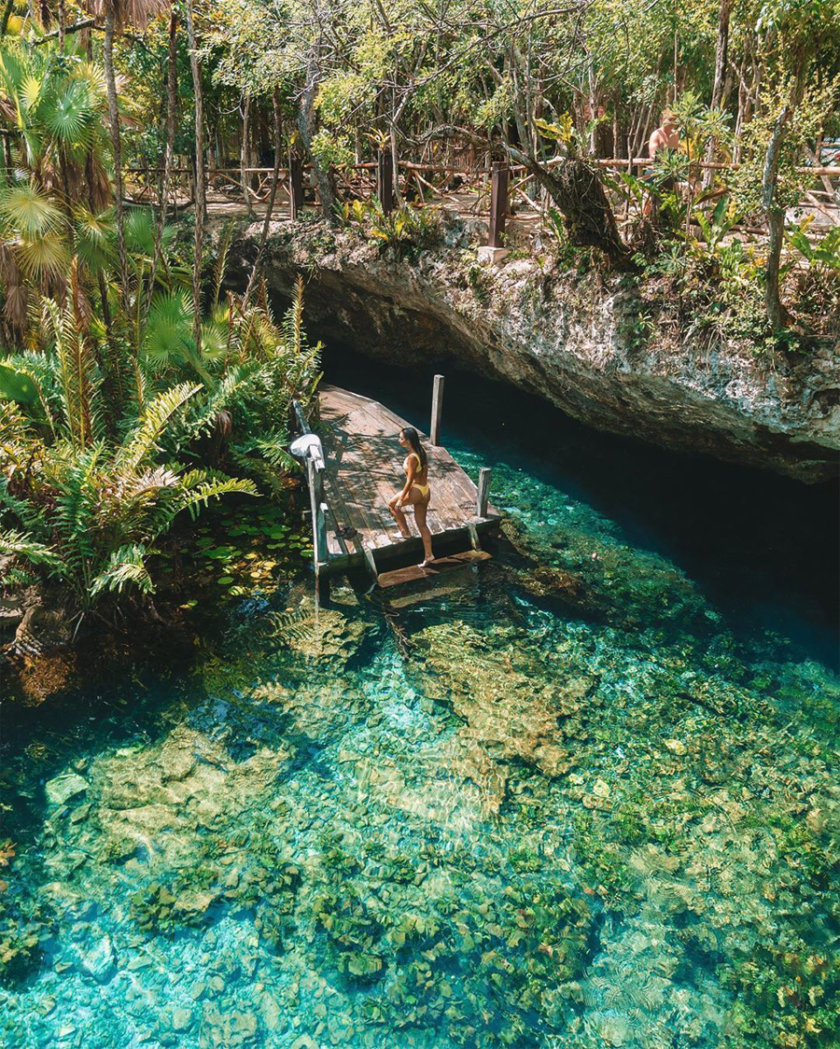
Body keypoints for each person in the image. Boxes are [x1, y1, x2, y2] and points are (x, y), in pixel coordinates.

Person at [388, 427, 434, 568]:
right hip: (425, 490)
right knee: (422, 525)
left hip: (416, 490)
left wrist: (402, 498)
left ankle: (405, 533)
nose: (399, 440)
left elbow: (409, 480)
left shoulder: (412, 457)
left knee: (392, 504)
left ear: (408, 441)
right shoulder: (421, 451)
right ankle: (429, 555)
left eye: (401, 438)